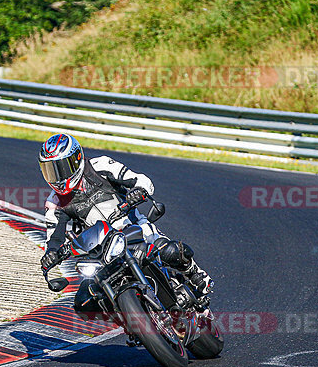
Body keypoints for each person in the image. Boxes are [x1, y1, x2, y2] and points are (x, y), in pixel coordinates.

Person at [38, 133, 213, 321]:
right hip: (101, 251)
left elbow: (141, 180)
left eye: (61, 168)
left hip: (133, 227)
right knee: (84, 303)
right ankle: (128, 319)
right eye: (50, 170)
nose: (57, 176)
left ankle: (195, 274)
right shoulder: (55, 203)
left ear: (77, 159)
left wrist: (138, 192)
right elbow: (53, 237)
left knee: (170, 251)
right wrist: (51, 254)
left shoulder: (101, 166)